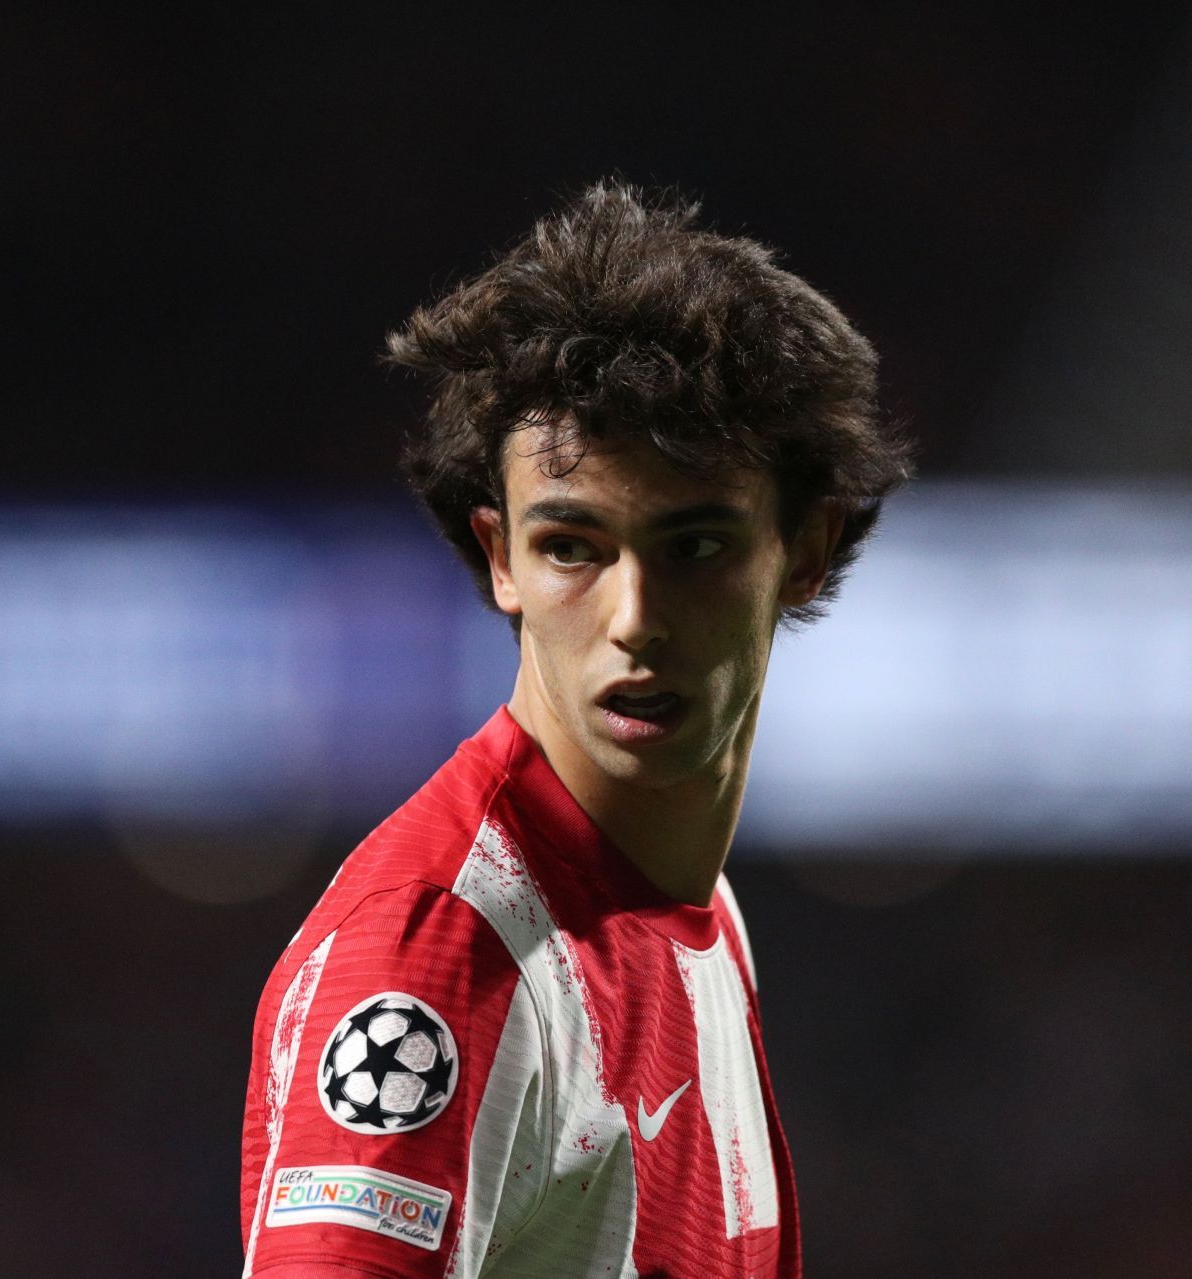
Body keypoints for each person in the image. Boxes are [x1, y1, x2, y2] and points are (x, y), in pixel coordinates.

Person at [238, 179, 913, 1278]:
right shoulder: (438, 949)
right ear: (499, 556)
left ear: (807, 547)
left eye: (693, 545)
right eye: (572, 547)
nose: (633, 618)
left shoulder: (698, 914)